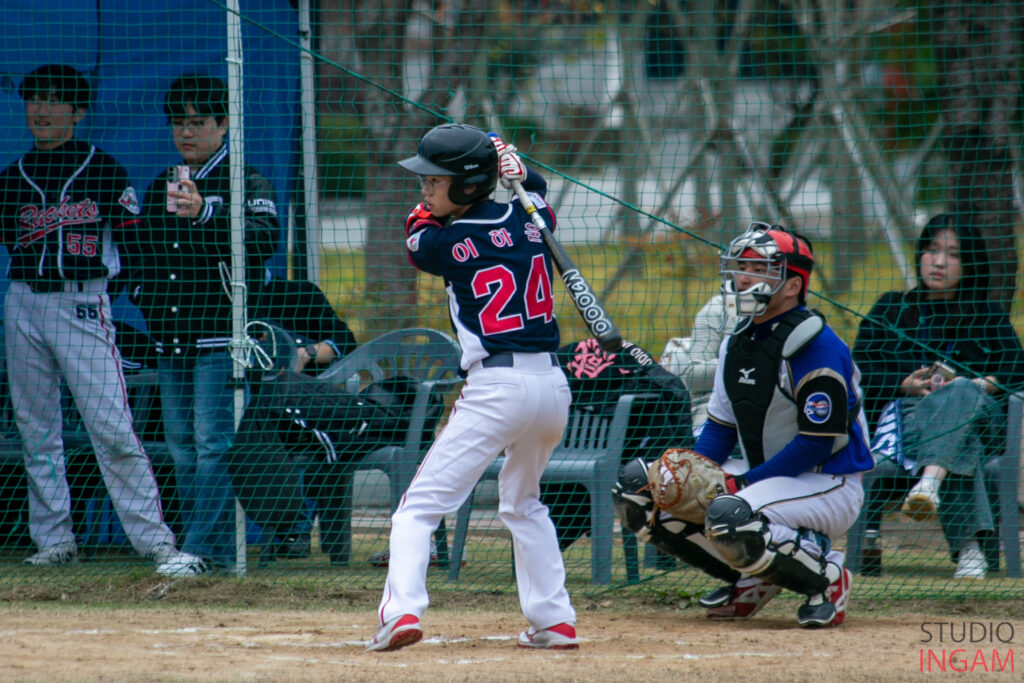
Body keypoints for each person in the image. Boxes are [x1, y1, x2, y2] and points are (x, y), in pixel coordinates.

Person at [366, 124, 577, 652]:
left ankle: (402, 612)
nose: (425, 191)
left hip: (497, 387)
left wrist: (502, 165)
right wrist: (519, 169)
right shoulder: (535, 222)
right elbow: (540, 194)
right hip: (551, 386)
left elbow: (417, 235)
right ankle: (554, 620)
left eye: (434, 182)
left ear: (465, 185)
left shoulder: (445, 240)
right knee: (524, 502)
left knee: (418, 508)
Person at [613, 222, 873, 628]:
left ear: (792, 285)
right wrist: (689, 473)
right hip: (771, 478)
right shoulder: (736, 340)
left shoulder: (815, 345)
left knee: (729, 511)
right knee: (639, 491)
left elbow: (819, 443)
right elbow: (719, 427)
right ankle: (748, 579)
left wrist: (743, 483)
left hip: (828, 482)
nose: (743, 277)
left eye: (759, 268)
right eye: (740, 266)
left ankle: (828, 578)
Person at [0, 64, 203, 575]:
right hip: (24, 301)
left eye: (53, 100)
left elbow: (133, 243)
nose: (40, 110)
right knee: (35, 430)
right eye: (33, 99)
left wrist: (120, 294)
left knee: (112, 428)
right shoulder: (10, 179)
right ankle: (54, 540)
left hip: (82, 304)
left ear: (77, 111)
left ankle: (156, 544)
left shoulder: (103, 169)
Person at [132, 74, 280, 572]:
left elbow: (263, 241)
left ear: (224, 125)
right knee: (181, 448)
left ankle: (199, 549)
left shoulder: (247, 180)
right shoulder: (162, 184)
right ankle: (206, 549)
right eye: (178, 122)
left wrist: (203, 213)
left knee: (213, 443)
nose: (186, 133)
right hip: (170, 337)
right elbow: (141, 254)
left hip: (222, 337)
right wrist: (142, 297)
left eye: (198, 122)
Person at [852, 213, 1024, 579]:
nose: (940, 262)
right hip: (905, 425)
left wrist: (982, 385)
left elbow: (1017, 367)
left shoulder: (987, 315)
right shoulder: (892, 309)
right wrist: (905, 384)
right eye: (932, 250)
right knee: (962, 442)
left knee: (961, 391)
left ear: (971, 263)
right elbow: (859, 369)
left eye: (954, 254)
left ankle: (930, 482)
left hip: (981, 421)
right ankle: (969, 547)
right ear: (920, 255)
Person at [661, 292, 737, 433]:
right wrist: (743, 361)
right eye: (743, 268)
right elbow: (694, 377)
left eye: (759, 270)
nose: (745, 278)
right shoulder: (718, 308)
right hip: (713, 415)